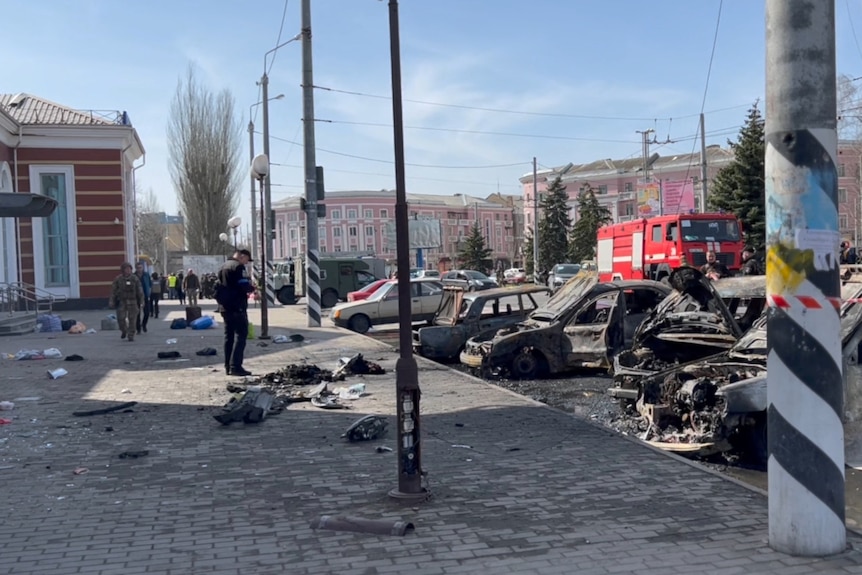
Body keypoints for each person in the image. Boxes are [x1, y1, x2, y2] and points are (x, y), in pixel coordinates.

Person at [219, 249, 255, 376]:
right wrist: (253, 289)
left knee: (228, 337)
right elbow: (243, 284)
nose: (246, 263)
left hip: (224, 307)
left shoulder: (223, 266)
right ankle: (236, 366)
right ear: (242, 256)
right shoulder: (238, 267)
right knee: (242, 334)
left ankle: (227, 366)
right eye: (246, 260)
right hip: (237, 306)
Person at [109, 262, 144, 342]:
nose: (128, 270)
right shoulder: (118, 279)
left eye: (129, 269)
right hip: (122, 301)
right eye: (126, 269)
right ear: (123, 270)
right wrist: (111, 301)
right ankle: (124, 330)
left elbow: (140, 291)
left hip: (132, 301)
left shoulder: (135, 279)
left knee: (132, 319)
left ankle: (131, 334)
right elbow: (113, 291)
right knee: (120, 318)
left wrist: (142, 301)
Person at [134, 262, 152, 334]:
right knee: (137, 313)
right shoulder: (133, 276)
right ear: (136, 268)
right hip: (136, 297)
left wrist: (149, 292)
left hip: (145, 296)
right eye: (138, 268)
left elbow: (150, 284)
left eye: (140, 268)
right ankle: (138, 328)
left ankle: (144, 325)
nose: (139, 269)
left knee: (147, 312)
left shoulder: (146, 275)